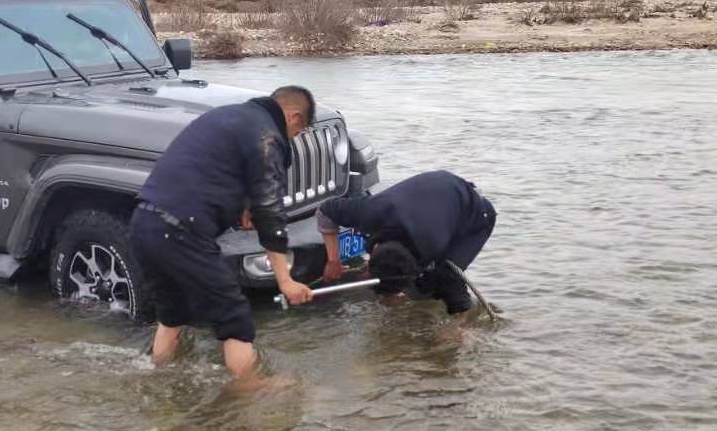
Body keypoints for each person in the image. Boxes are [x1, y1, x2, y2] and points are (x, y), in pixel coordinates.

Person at [130, 86, 316, 377]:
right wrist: (285, 280)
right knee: (235, 316)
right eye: (298, 132)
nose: (292, 138)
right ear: (293, 117)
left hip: (144, 222)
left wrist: (241, 206)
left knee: (172, 312)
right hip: (181, 231)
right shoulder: (268, 135)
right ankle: (251, 394)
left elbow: (209, 169)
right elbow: (270, 211)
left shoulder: (227, 116)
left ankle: (157, 375)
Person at [316, 170, 496, 314]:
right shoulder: (369, 211)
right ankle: (394, 291)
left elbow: (453, 285)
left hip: (478, 215)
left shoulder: (433, 246)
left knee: (431, 285)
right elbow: (324, 211)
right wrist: (334, 260)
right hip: (432, 195)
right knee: (402, 283)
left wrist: (458, 328)